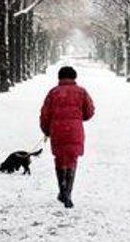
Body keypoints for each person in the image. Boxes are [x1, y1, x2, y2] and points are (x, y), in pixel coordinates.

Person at [39, 65, 95, 209]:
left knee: (59, 160)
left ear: (59, 77)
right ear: (74, 77)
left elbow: (45, 114)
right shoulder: (81, 92)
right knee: (72, 160)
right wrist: (78, 117)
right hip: (75, 131)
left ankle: (62, 190)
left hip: (57, 130)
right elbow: (89, 111)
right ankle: (68, 193)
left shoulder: (53, 93)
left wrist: (46, 130)